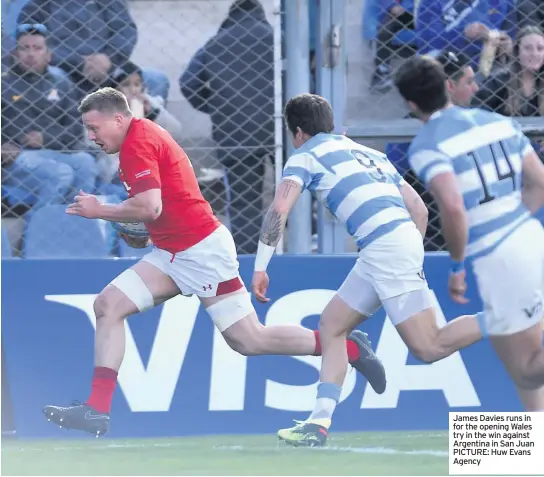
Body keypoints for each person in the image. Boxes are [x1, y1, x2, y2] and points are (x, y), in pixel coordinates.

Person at [41, 87, 386, 437]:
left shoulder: (137, 143)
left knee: (249, 340)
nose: (91, 136)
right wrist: (137, 226)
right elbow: (159, 208)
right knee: (108, 306)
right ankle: (97, 409)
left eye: (94, 127)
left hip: (201, 252)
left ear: (118, 118)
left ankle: (349, 348)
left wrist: (101, 210)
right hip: (172, 251)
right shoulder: (138, 137)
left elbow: (150, 207)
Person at [251, 93, 484, 447]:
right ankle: (318, 423)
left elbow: (278, 211)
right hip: (390, 244)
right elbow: (419, 209)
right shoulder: (372, 154)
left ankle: (511, 316)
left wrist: (260, 266)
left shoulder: (305, 155)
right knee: (331, 327)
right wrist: (407, 251)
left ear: (298, 133)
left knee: (428, 347)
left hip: (385, 248)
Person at [395, 55, 544, 412]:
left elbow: (453, 207)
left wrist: (457, 265)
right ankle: (533, 458)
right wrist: (513, 222)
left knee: (526, 369)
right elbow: (539, 182)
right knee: (524, 374)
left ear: (411, 103)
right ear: (447, 86)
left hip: (498, 257)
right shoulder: (498, 122)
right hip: (529, 235)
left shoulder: (428, 144)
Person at [386, 50, 480, 251]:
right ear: (449, 86)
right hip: (427, 232)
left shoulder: (472, 122)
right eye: (469, 82)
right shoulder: (407, 134)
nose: (476, 88)